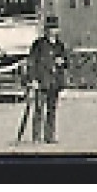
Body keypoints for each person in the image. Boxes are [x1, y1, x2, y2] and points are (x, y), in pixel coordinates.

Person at [26, 15, 68, 144]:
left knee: (52, 110)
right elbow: (31, 63)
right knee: (39, 109)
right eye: (50, 28)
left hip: (54, 82)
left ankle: (50, 136)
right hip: (41, 81)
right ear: (46, 30)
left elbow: (66, 62)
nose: (53, 31)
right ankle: (36, 137)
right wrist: (33, 80)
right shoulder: (38, 45)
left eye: (55, 28)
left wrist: (63, 61)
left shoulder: (60, 46)